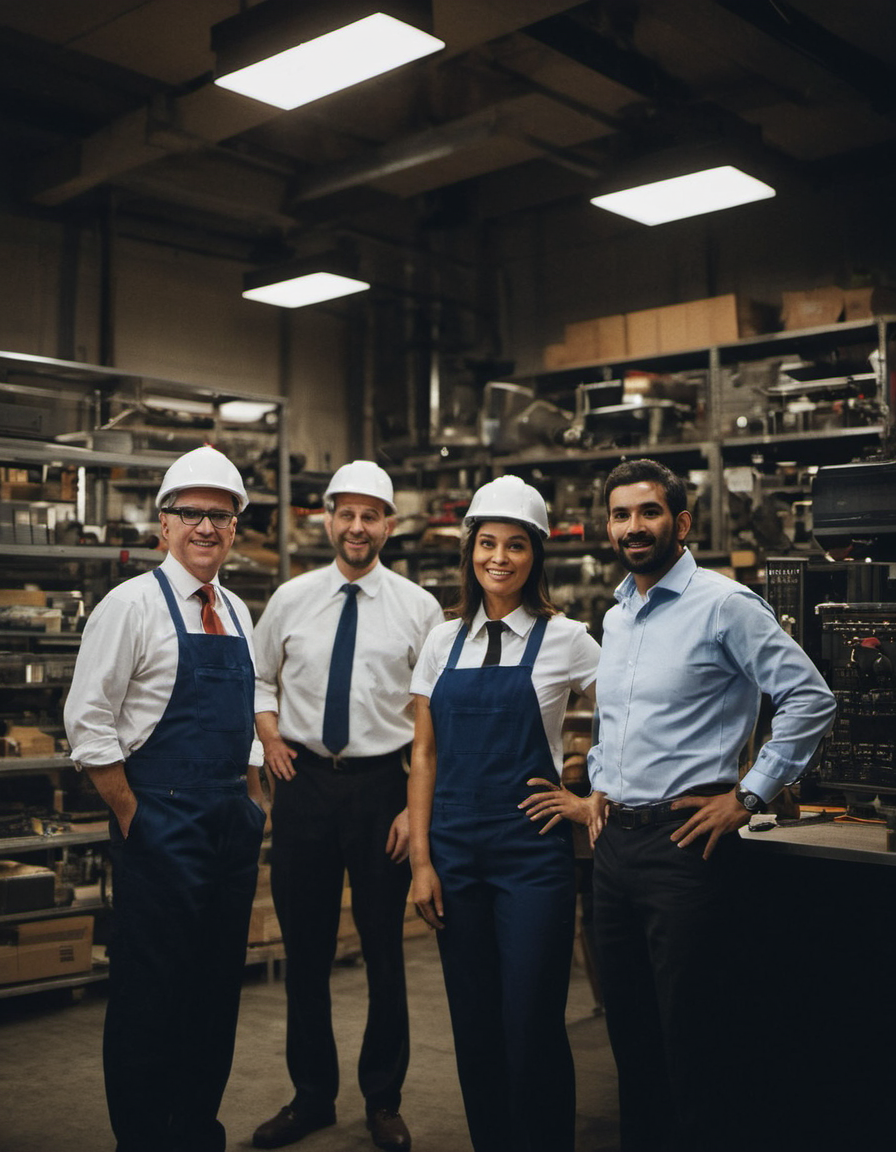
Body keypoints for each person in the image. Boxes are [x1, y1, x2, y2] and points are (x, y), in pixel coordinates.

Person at [524, 457, 837, 1152]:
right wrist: (598, 784)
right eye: (621, 515)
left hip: (686, 848)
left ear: (681, 522)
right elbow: (619, 720)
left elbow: (811, 698)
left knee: (694, 1038)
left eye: (649, 512)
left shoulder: (724, 604)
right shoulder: (621, 611)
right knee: (630, 1036)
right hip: (616, 850)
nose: (634, 527)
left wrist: (750, 794)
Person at [64, 444, 267, 1152]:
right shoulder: (131, 606)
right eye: (192, 515)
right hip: (159, 821)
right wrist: (131, 812)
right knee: (151, 999)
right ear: (164, 525)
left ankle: (196, 1134)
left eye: (222, 515)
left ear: (237, 527)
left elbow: (247, 714)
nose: (206, 528)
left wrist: (250, 795)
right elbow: (88, 722)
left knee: (215, 995)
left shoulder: (238, 609)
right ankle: (146, 1140)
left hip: (227, 826)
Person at [251, 460, 443, 1152]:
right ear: (327, 519)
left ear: (389, 525)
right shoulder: (290, 600)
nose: (358, 527)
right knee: (305, 952)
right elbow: (258, 677)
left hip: (382, 791)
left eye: (372, 515)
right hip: (303, 785)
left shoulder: (419, 610)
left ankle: (383, 1099)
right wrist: (268, 730)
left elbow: (433, 718)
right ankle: (311, 1097)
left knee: (385, 951)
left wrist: (413, 809)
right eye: (346, 514)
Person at [409, 475, 601, 1152]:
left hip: (531, 853)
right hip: (455, 853)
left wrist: (591, 795)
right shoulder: (442, 641)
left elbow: (634, 711)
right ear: (470, 552)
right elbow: (424, 756)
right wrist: (423, 862)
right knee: (476, 1023)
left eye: (515, 545)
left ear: (535, 555)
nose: (499, 558)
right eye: (486, 543)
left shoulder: (567, 637)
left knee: (531, 1021)